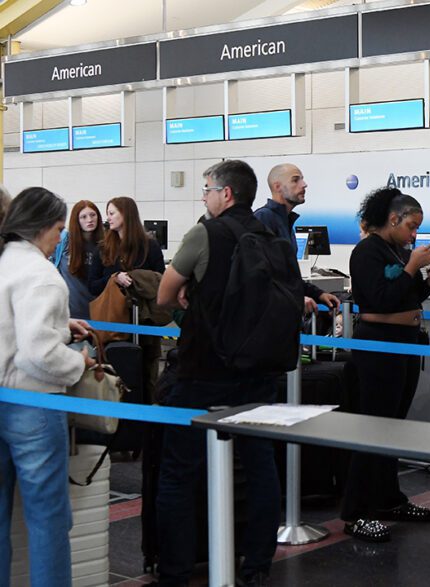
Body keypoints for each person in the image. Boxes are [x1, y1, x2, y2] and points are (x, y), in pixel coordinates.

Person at [155, 160, 283, 586]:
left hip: (203, 370)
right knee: (261, 466)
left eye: (207, 188)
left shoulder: (205, 233)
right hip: (259, 369)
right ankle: (257, 566)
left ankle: (175, 573)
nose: (204, 196)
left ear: (226, 194)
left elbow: (163, 296)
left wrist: (189, 292)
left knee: (179, 472)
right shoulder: (271, 235)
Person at [0, 187, 94, 586]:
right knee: (48, 520)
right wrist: (78, 362)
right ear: (40, 227)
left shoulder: (4, 262)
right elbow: (36, 353)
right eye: (58, 229)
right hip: (34, 407)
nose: (61, 238)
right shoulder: (42, 275)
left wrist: (61, 326)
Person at [340, 187, 430, 543]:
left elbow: (406, 296)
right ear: (394, 219)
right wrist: (411, 267)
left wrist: (426, 282)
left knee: (393, 426)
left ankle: (387, 499)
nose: (415, 235)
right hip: (378, 344)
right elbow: (379, 299)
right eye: (412, 227)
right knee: (373, 426)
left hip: (405, 342)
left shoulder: (397, 251)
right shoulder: (366, 252)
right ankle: (356, 511)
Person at [90, 196, 166, 404]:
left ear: (126, 214)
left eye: (112, 213)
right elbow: (93, 285)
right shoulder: (104, 248)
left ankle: (146, 416)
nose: (108, 218)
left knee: (147, 373)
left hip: (145, 322)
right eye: (108, 213)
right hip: (115, 323)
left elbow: (160, 281)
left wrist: (138, 278)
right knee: (118, 370)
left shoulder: (150, 246)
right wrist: (114, 278)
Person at [254, 163, 340, 314]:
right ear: (277, 187)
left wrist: (317, 294)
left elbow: (288, 276)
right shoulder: (264, 219)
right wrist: (295, 298)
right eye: (295, 180)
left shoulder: (285, 221)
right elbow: (259, 276)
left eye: (302, 179)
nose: (304, 184)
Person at [53, 200, 104, 319]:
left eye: (93, 215)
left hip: (97, 309)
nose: (89, 220)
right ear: (76, 220)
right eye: (83, 217)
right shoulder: (64, 241)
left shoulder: (104, 244)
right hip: (70, 311)